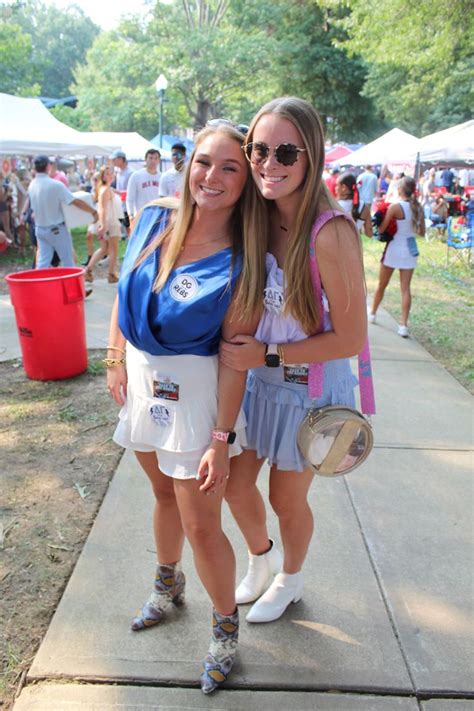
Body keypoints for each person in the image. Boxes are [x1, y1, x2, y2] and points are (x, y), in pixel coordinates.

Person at [106, 122, 263, 693]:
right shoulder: (155, 217)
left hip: (199, 398)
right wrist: (114, 357)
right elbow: (124, 293)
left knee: (202, 524)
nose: (212, 177)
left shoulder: (245, 257)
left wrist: (222, 440)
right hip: (144, 387)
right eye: (204, 162)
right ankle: (166, 586)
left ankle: (225, 631)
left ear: (247, 181)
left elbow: (235, 361)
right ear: (187, 163)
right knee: (159, 495)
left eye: (230, 167)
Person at [219, 97, 367, 624]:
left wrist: (271, 352)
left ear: (312, 156)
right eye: (258, 149)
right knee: (236, 487)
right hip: (261, 384)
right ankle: (261, 560)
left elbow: (349, 338)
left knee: (286, 499)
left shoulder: (331, 232)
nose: (268, 162)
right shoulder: (255, 219)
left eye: (286, 151)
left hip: (310, 393)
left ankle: (292, 579)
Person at [368, 176, 425, 338]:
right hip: (409, 248)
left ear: (400, 190)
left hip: (393, 248)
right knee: (405, 288)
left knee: (382, 284)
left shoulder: (395, 207)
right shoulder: (418, 208)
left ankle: (372, 313)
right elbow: (421, 232)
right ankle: (403, 325)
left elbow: (382, 228)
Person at [28, 155, 98, 269]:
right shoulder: (55, 185)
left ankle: (41, 285)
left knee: (43, 262)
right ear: (48, 166)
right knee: (68, 261)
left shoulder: (32, 185)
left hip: (40, 228)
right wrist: (93, 211)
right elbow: (74, 201)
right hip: (56, 229)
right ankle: (71, 286)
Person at [85, 165, 121, 283]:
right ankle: (111, 274)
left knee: (104, 249)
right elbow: (103, 209)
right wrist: (104, 225)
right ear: (103, 176)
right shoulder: (105, 190)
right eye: (107, 174)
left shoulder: (105, 189)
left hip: (107, 221)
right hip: (109, 222)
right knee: (113, 249)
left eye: (111, 173)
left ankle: (88, 270)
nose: (110, 176)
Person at [125, 148, 161, 220]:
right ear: (145, 159)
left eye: (156, 158)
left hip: (157, 216)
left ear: (159, 161)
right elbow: (130, 198)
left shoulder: (162, 177)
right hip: (140, 216)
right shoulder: (136, 176)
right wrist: (130, 215)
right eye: (150, 158)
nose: (153, 161)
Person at [336, 172, 373, 237]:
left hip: (335, 245)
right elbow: (369, 233)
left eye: (337, 185)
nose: (335, 188)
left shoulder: (335, 205)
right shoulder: (364, 207)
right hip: (355, 245)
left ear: (343, 187)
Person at [111, 150, 133, 234]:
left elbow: (130, 192)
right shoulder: (118, 172)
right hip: (120, 205)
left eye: (114, 159)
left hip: (127, 206)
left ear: (121, 159)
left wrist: (115, 191)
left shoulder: (130, 173)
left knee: (129, 229)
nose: (113, 161)